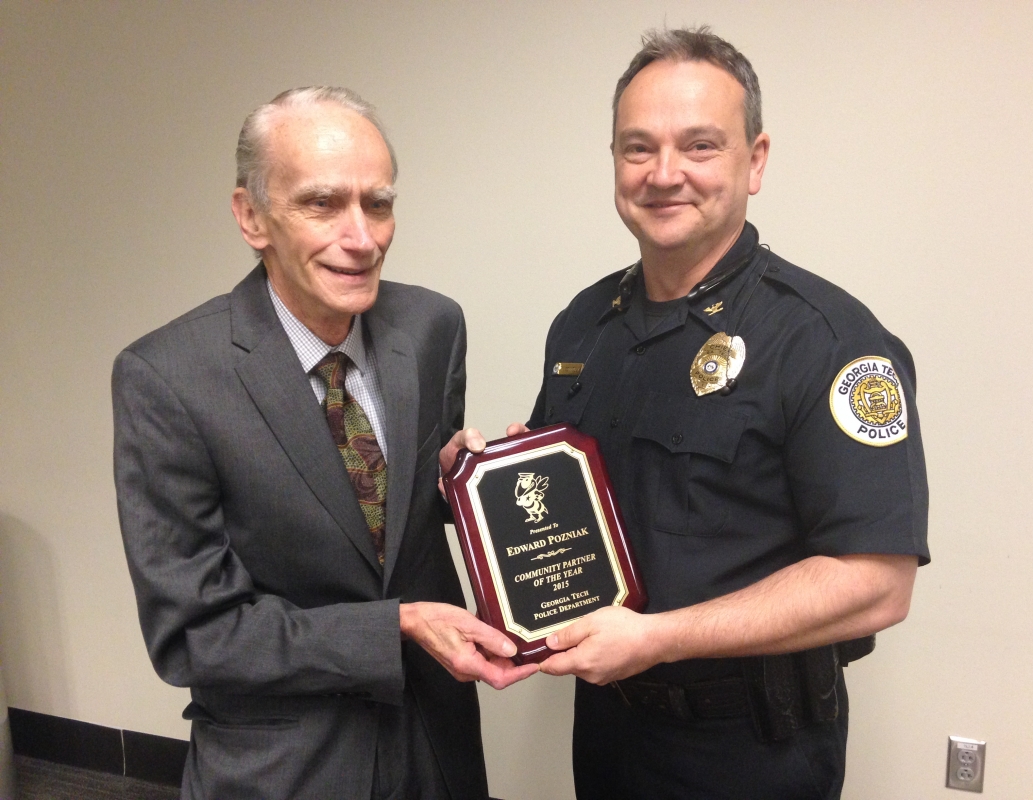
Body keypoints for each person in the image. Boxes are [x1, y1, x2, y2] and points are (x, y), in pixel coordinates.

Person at [442, 28, 929, 799]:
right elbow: (560, 513)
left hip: (748, 748)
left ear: (754, 160)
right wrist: (474, 483)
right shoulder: (583, 325)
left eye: (698, 146)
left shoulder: (826, 339)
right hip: (608, 730)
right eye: (637, 148)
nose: (663, 174)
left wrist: (655, 640)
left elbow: (876, 582)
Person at [113, 86, 537, 800]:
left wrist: (467, 488)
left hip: (434, 741)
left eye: (377, 203)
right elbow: (194, 636)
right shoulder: (168, 378)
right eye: (321, 204)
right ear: (252, 216)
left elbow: (382, 524)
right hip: (285, 763)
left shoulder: (432, 329)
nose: (362, 236)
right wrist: (394, 628)